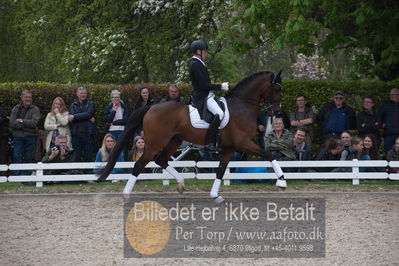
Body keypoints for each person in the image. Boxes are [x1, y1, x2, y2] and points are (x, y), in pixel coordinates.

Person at [188, 39, 229, 152]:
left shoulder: (199, 63)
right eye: (205, 51)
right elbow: (203, 85)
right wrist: (220, 86)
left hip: (207, 94)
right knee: (219, 114)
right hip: (202, 96)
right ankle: (209, 142)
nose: (206, 54)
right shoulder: (195, 65)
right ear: (198, 51)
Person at [10, 90, 40, 175]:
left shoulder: (35, 109)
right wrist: (26, 125)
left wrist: (21, 121)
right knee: (16, 155)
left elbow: (34, 123)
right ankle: (16, 175)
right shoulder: (16, 108)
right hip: (18, 137)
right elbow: (12, 123)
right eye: (26, 97)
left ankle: (26, 175)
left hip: (31, 136)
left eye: (30, 97)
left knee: (28, 156)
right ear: (22, 98)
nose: (28, 99)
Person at [68, 86, 98, 162]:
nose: (83, 95)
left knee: (88, 155)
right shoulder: (73, 105)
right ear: (77, 94)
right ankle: (77, 172)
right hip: (76, 134)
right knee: (77, 156)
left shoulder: (91, 104)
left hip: (88, 134)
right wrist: (85, 117)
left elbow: (88, 114)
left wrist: (75, 116)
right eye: (81, 93)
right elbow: (72, 119)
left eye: (84, 93)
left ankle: (88, 173)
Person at [380, 88, 399, 153]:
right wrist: (382, 125)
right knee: (388, 153)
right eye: (391, 94)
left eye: (394, 94)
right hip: (388, 135)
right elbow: (379, 117)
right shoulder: (385, 106)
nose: (392, 96)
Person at [0, 106, 9, 171]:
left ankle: (3, 173)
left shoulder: (1, 110)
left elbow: (2, 119)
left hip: (1, 136)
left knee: (2, 156)